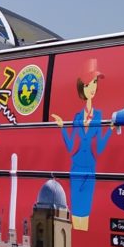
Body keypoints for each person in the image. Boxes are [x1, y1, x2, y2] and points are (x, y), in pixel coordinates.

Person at [50, 59, 113, 231]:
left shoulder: (99, 116)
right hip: (76, 168)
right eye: (89, 84)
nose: (92, 87)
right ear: (82, 87)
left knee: (85, 211)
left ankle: (83, 241)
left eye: (95, 82)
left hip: (90, 169)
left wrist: (110, 130)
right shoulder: (77, 117)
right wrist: (63, 128)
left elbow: (99, 148)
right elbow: (71, 147)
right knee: (76, 210)